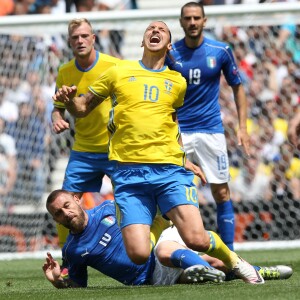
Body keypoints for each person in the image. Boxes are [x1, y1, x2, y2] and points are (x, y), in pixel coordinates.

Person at [53, 20, 264, 284]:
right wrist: (69, 99)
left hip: (168, 170)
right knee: (139, 254)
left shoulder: (177, 82)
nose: (155, 31)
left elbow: (170, 127)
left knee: (197, 239)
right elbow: (82, 108)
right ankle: (160, 221)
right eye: (150, 29)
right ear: (142, 42)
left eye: (161, 30)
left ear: (167, 44)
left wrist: (184, 159)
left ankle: (234, 261)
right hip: (128, 174)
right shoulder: (119, 71)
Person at [42, 190, 293, 288]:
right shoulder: (73, 250)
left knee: (165, 252)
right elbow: (78, 287)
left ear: (77, 199)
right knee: (213, 269)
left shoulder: (108, 208)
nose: (65, 213)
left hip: (161, 242)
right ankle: (256, 272)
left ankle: (204, 267)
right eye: (58, 213)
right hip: (148, 279)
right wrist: (57, 281)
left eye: (66, 205)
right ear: (56, 220)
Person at [165, 2, 250, 251]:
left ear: (204, 20)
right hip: (178, 134)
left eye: (196, 18)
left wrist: (242, 127)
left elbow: (238, 85)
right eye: (188, 18)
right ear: (181, 22)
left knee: (222, 192)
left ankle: (231, 256)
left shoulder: (220, 50)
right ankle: (173, 251)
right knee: (173, 194)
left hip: (211, 130)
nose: (192, 22)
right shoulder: (171, 54)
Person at [51, 18, 120, 247]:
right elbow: (57, 109)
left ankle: (150, 254)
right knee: (63, 203)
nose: (80, 40)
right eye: (75, 37)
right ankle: (67, 263)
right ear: (70, 42)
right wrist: (57, 119)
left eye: (84, 36)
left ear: (93, 38)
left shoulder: (113, 66)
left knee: (132, 202)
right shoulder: (65, 71)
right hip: (83, 150)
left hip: (115, 149)